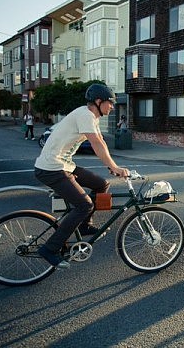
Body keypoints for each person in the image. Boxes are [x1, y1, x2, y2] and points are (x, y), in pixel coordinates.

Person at [35, 84, 130, 269]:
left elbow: (101, 140)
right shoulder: (85, 115)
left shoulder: (91, 117)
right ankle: (49, 249)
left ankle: (84, 225)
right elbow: (95, 143)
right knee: (84, 205)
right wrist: (114, 166)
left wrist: (111, 166)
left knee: (101, 184)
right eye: (110, 103)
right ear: (98, 101)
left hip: (64, 165)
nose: (112, 107)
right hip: (51, 168)